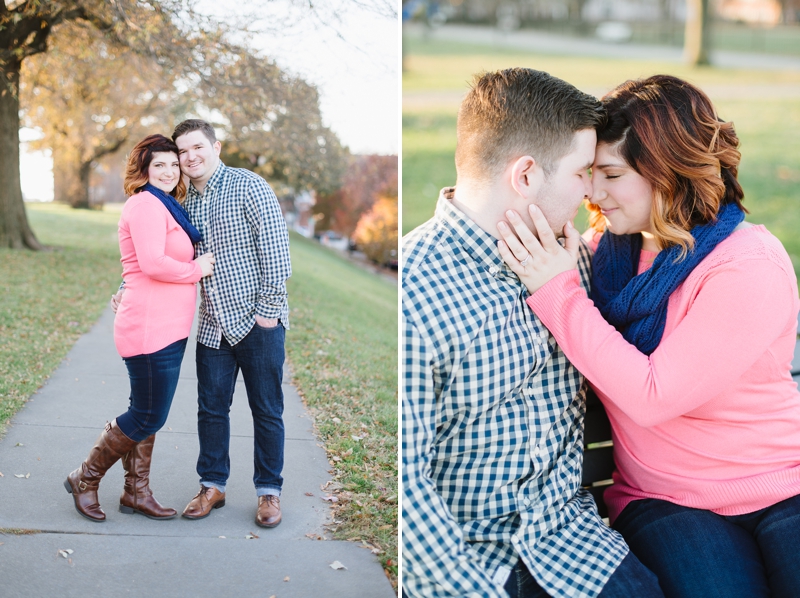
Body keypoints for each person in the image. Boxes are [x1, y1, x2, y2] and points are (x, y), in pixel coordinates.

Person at [498, 74, 800, 598]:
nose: (593, 192)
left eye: (611, 174)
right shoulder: (606, 251)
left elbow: (653, 395)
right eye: (591, 174)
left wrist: (558, 292)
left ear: (667, 173)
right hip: (664, 499)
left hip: (782, 486)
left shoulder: (746, 265)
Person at [402, 68, 664, 598]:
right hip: (471, 562)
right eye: (582, 172)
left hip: (576, 547)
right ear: (524, 176)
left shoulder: (572, 262)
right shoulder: (415, 290)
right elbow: (408, 490)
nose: (593, 190)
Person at [65, 134, 214, 522]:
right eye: (158, 165)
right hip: (150, 327)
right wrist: (197, 269)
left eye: (172, 164)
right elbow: (151, 264)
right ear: (145, 170)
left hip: (167, 326)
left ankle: (136, 492)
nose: (168, 171)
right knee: (148, 415)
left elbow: (135, 264)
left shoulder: (167, 205)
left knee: (145, 410)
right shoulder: (146, 204)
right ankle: (85, 477)